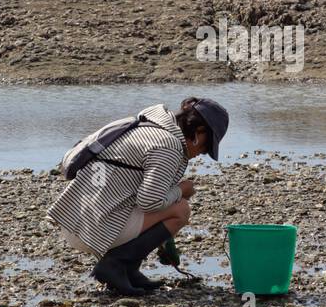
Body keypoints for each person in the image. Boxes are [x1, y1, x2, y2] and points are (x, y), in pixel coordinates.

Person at [48, 97, 229, 296]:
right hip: (91, 228)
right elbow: (149, 202)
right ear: (199, 131)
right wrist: (181, 190)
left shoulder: (147, 125)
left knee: (170, 203)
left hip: (75, 218)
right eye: (207, 146)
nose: (202, 153)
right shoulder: (168, 146)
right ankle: (115, 265)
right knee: (180, 209)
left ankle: (129, 270)